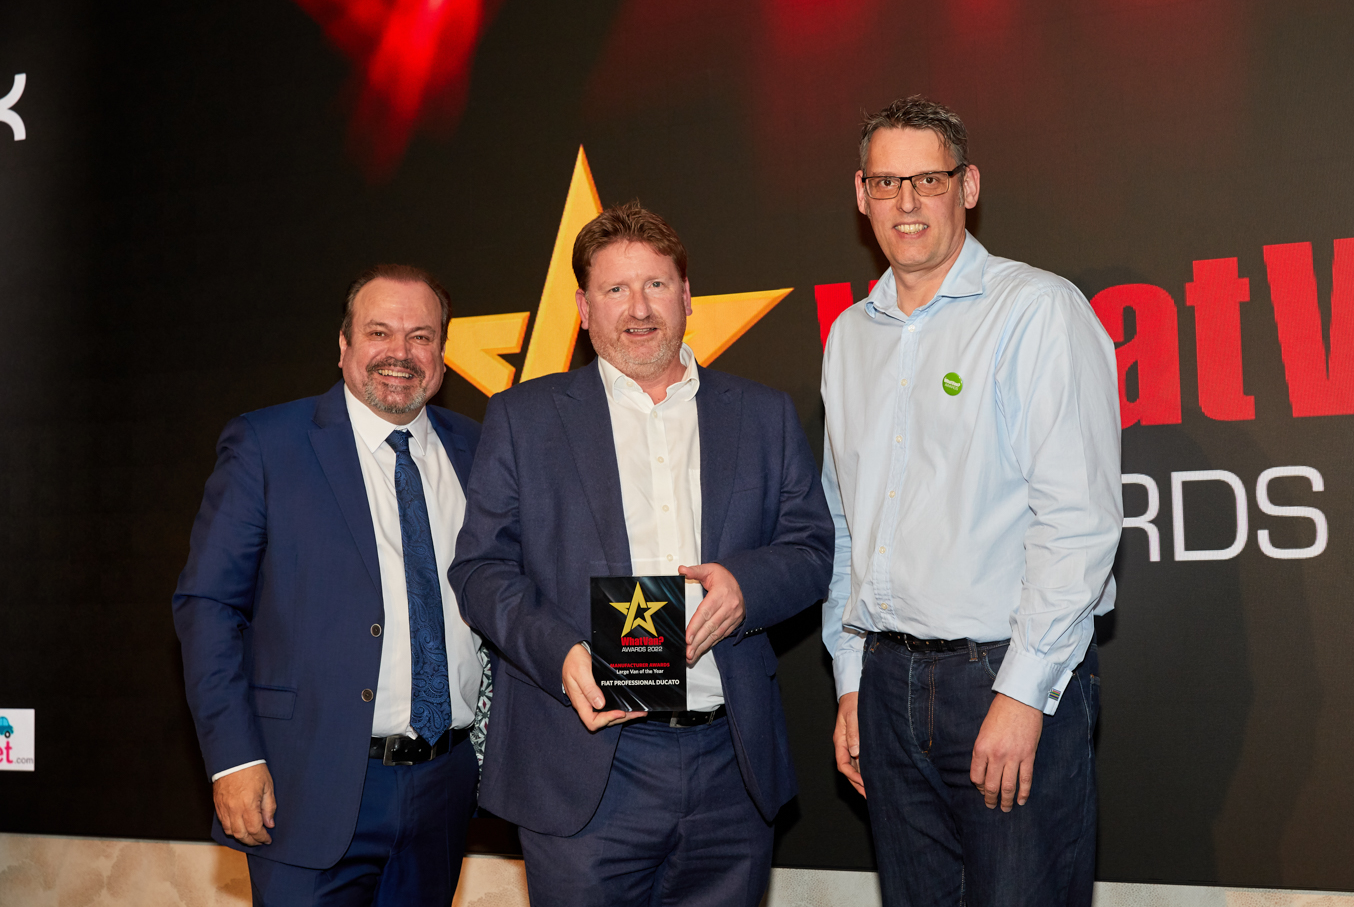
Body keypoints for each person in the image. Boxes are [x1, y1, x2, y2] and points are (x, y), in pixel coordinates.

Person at [451, 204, 833, 907]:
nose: (638, 309)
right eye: (615, 289)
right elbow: (480, 569)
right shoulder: (524, 417)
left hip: (729, 763)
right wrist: (560, 653)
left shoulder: (763, 414)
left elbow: (811, 549)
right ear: (582, 308)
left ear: (686, 295)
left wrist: (746, 587)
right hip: (586, 765)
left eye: (655, 285)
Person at [821, 95, 1122, 906]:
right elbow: (846, 525)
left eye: (929, 179)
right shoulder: (849, 336)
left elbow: (1078, 523)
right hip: (884, 683)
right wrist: (851, 680)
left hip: (1002, 677)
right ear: (861, 194)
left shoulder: (1038, 310)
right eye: (886, 182)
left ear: (969, 185)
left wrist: (1023, 694)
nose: (907, 202)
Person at [173, 265, 486, 906]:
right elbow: (208, 607)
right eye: (379, 332)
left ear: (442, 355)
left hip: (445, 787)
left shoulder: (478, 450)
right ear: (343, 345)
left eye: (421, 336)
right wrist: (233, 759)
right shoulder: (267, 444)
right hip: (305, 785)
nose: (400, 353)